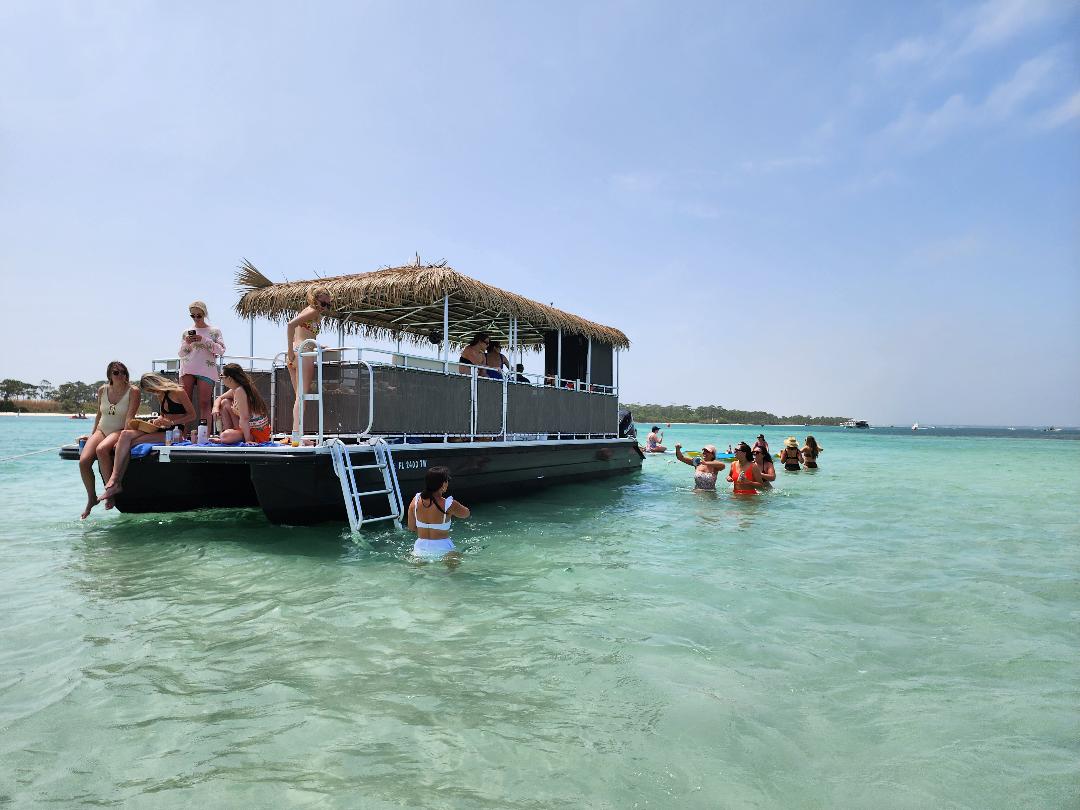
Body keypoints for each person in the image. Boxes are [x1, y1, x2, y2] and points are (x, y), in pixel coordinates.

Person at [101, 373, 196, 507]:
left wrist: (172, 422)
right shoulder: (160, 395)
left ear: (155, 383)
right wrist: (156, 421)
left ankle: (116, 481)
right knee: (125, 435)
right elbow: (164, 416)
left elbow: (192, 415)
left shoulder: (178, 391)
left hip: (176, 433)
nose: (152, 393)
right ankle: (114, 480)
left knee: (130, 443)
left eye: (151, 390)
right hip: (163, 429)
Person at [77, 361, 139, 519]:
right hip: (101, 429)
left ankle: (111, 490)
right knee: (83, 461)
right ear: (110, 375)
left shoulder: (133, 391)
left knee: (102, 449)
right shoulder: (102, 390)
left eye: (123, 372)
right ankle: (91, 497)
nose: (121, 375)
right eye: (116, 373)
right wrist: (92, 435)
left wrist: (124, 438)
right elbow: (99, 414)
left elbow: (130, 417)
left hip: (120, 430)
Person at [284, 285, 333, 441]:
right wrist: (292, 351)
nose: (325, 307)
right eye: (323, 303)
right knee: (302, 397)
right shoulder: (312, 311)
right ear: (315, 299)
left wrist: (292, 351)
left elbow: (303, 333)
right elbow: (290, 325)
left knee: (299, 397)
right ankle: (298, 436)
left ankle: (296, 435)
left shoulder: (307, 311)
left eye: (328, 304)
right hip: (302, 353)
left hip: (296, 352)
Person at [407, 466, 471, 560]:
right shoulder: (448, 504)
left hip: (420, 549)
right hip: (443, 549)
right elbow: (466, 514)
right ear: (443, 484)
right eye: (447, 481)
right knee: (451, 572)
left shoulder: (415, 500)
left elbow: (411, 527)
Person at [178, 301, 225, 427]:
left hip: (206, 369)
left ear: (204, 314)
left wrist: (203, 340)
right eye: (192, 316)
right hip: (187, 368)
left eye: (198, 315)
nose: (196, 318)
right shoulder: (186, 332)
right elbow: (181, 353)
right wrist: (187, 342)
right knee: (185, 403)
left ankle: (204, 436)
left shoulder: (214, 331)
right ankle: (182, 434)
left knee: (204, 403)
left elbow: (221, 350)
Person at [212, 363, 271, 444]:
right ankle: (229, 435)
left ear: (229, 378)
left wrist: (248, 441)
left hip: (255, 433)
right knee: (225, 402)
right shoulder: (236, 389)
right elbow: (219, 398)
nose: (221, 379)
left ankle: (231, 437)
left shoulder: (240, 390)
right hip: (247, 427)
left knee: (225, 436)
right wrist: (215, 408)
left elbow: (245, 418)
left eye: (222, 377)